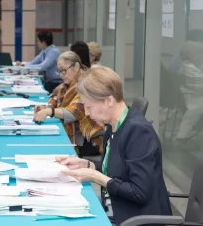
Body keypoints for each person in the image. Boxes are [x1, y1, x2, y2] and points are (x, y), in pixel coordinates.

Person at [56, 66, 172, 225]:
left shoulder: (138, 132)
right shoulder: (113, 125)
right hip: (116, 209)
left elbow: (139, 192)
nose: (87, 114)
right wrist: (88, 164)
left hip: (134, 219)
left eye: (89, 107)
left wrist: (96, 177)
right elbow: (119, 168)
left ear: (109, 100)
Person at [33, 51, 104, 157]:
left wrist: (49, 111)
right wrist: (46, 107)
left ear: (76, 66)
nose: (61, 75)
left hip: (88, 140)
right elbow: (57, 98)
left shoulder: (86, 83)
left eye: (63, 71)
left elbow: (75, 112)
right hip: (78, 135)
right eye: (59, 71)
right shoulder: (68, 84)